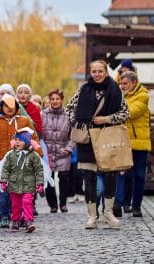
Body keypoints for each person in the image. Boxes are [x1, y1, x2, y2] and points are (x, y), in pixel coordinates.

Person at [66, 60, 129, 229]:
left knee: (110, 176)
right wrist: (80, 122)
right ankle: (92, 217)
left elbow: (125, 113)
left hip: (108, 137)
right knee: (89, 178)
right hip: (87, 139)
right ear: (91, 73)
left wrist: (106, 119)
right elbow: (69, 109)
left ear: (106, 72)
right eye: (94, 71)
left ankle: (108, 213)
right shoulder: (83, 90)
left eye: (100, 71)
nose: (97, 74)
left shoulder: (115, 90)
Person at [0, 94, 40, 228]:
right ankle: (5, 216)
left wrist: (37, 153)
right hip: (4, 160)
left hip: (24, 160)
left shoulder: (24, 120)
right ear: (1, 106)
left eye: (12, 106)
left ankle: (24, 216)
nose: (9, 109)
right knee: (5, 192)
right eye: (6, 106)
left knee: (24, 189)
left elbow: (34, 137)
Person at [115, 71, 151, 218]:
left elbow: (130, 113)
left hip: (139, 143)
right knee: (121, 174)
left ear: (134, 83)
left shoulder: (143, 96)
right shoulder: (120, 96)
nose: (122, 86)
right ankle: (120, 203)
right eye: (121, 84)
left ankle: (136, 206)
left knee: (139, 176)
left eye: (125, 84)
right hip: (124, 143)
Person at [0, 129, 43, 233]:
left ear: (27, 142)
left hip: (28, 184)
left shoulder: (33, 156)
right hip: (14, 184)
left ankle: (28, 221)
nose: (17, 142)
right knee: (15, 204)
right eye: (16, 139)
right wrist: (4, 180)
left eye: (21, 140)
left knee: (27, 202)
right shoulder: (11, 155)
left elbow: (39, 170)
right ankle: (15, 220)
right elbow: (6, 168)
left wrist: (39, 183)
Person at [41, 89, 75, 213]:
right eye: (53, 99)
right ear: (49, 100)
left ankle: (63, 203)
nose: (55, 101)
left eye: (57, 99)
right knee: (49, 178)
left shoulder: (68, 115)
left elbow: (74, 134)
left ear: (61, 100)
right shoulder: (42, 114)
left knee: (64, 177)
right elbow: (38, 133)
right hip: (47, 152)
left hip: (63, 151)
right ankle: (53, 205)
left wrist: (69, 148)